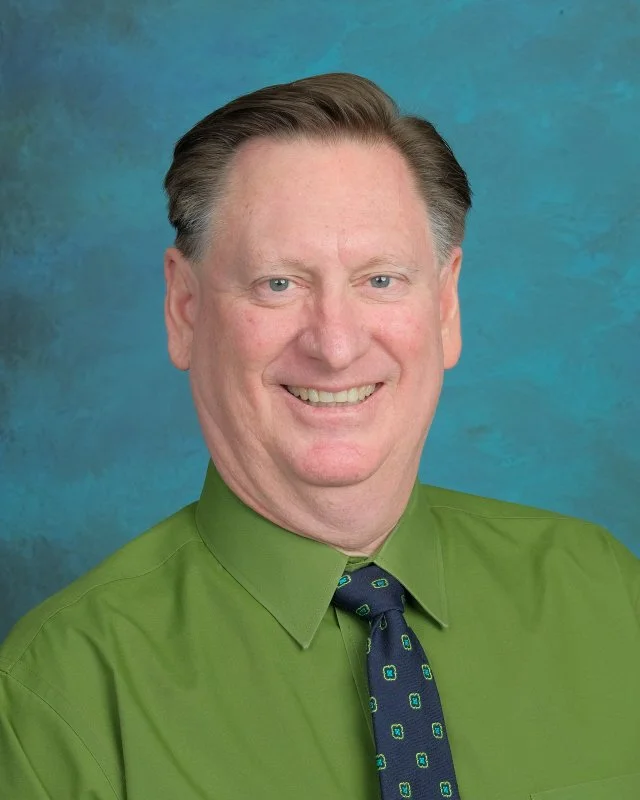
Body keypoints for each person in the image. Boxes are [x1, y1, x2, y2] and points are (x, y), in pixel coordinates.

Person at [1, 73, 638, 800]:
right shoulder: (58, 694)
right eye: (278, 283)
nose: (334, 345)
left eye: (381, 279)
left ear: (447, 304)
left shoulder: (606, 595)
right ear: (184, 308)